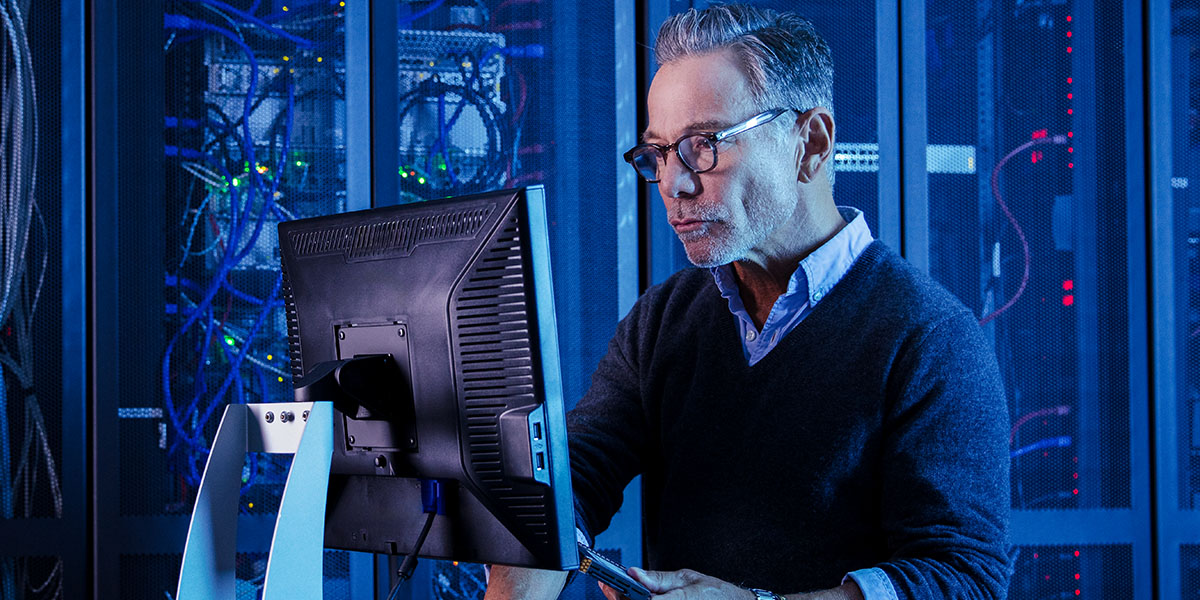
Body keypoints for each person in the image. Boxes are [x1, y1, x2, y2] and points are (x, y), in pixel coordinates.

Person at [486, 4, 1011, 600]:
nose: (673, 185)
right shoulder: (662, 324)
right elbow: (569, 481)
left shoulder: (929, 338)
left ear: (810, 144)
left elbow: (964, 578)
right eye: (658, 154)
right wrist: (527, 546)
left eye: (703, 145)